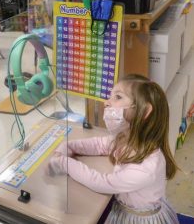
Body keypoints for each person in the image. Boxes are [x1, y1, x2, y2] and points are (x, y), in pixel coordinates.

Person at [48, 74, 179, 224]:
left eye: (117, 97)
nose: (106, 103)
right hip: (123, 206)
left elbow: (103, 183)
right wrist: (69, 146)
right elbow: (100, 144)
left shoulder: (147, 167)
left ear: (143, 111)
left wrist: (64, 163)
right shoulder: (125, 137)